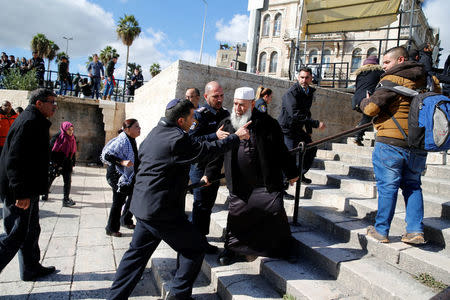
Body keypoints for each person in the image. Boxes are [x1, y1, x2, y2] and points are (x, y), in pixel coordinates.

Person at [108, 99, 250, 300]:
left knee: (135, 258)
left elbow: (194, 145)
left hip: (144, 206)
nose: (194, 121)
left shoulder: (156, 133)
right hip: (161, 211)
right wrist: (236, 137)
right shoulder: (176, 139)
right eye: (192, 117)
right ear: (181, 119)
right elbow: (205, 151)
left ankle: (114, 297)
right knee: (194, 248)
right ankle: (178, 296)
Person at [204, 87, 299, 265]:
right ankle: (232, 249)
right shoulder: (227, 123)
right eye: (235, 104)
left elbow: (281, 150)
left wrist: (292, 173)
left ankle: (284, 249)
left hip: (264, 182)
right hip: (239, 184)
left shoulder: (268, 123)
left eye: (242, 105)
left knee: (276, 213)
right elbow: (217, 154)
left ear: (252, 104)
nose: (238, 108)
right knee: (237, 217)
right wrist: (209, 174)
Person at [360, 46, 438, 245]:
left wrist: (365, 101)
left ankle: (381, 230)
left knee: (388, 186)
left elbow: (371, 109)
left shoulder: (390, 80)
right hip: (418, 143)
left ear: (400, 60)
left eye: (387, 62)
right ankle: (414, 231)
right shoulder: (430, 81)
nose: (384, 67)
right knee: (413, 186)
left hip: (391, 143)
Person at [0, 88, 57, 281]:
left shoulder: (35, 121)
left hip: (28, 188)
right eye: (51, 101)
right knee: (15, 234)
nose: (55, 106)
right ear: (38, 103)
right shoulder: (29, 122)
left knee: (31, 230)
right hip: (19, 190)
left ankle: (30, 268)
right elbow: (13, 160)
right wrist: (20, 192)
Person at [188, 81, 231, 254]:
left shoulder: (226, 113)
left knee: (208, 204)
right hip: (200, 167)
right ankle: (196, 242)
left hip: (215, 167)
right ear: (206, 97)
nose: (219, 99)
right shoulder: (199, 115)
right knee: (200, 205)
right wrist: (215, 135)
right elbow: (191, 140)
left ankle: (200, 238)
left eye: (221, 95)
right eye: (215, 96)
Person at [278, 67, 326, 185]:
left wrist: (309, 130)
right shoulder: (291, 93)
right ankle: (283, 185)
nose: (304, 80)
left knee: (311, 148)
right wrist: (315, 124)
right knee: (289, 155)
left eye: (307, 78)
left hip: (297, 128)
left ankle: (300, 174)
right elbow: (295, 114)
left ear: (311, 78)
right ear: (298, 78)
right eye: (302, 77)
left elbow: (306, 112)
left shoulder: (308, 92)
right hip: (287, 128)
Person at [101, 119, 141, 237]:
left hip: (128, 175)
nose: (139, 129)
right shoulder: (122, 140)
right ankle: (111, 228)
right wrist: (122, 162)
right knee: (118, 201)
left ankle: (126, 220)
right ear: (127, 130)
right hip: (117, 176)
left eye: (139, 126)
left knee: (133, 196)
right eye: (136, 127)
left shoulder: (131, 140)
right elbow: (107, 155)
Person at [41, 122, 77, 207]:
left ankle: (66, 199)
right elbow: (50, 151)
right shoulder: (57, 137)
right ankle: (45, 193)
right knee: (51, 178)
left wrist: (73, 162)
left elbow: (73, 151)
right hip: (57, 163)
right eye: (69, 130)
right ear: (64, 129)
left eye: (72, 130)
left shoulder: (73, 138)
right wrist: (53, 163)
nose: (71, 132)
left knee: (67, 182)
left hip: (67, 163)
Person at [351, 56, 384, 146]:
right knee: (369, 116)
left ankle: (359, 135)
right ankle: (358, 133)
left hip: (356, 99)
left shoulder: (360, 73)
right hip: (367, 97)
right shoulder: (378, 72)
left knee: (368, 117)